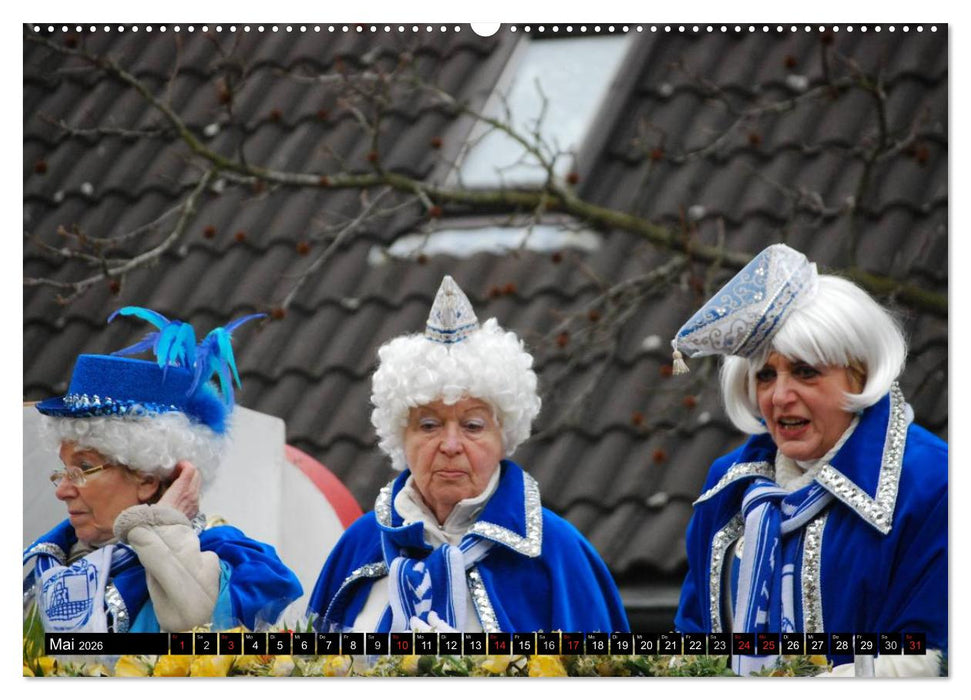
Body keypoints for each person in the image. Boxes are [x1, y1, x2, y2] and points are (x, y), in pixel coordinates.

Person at [671, 244, 946, 677]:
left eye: (805, 372)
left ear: (860, 374)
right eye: (765, 375)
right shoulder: (728, 487)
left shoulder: (935, 484)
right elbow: (694, 640)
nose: (780, 396)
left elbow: (936, 656)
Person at [308, 276, 629, 633]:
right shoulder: (360, 543)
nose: (450, 445)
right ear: (401, 435)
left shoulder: (557, 551)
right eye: (429, 425)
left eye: (472, 426)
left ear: (503, 435)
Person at [23, 307, 303, 633]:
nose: (62, 490)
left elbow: (201, 627)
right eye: (64, 470)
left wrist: (160, 526)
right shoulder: (46, 564)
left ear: (146, 477)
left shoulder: (230, 559)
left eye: (83, 467)